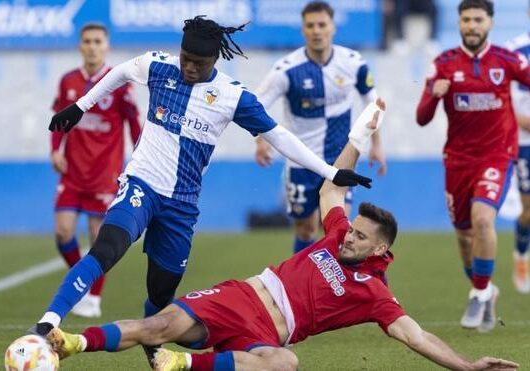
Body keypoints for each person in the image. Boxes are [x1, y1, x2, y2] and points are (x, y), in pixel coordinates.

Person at [46, 100, 518, 371]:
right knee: (156, 327)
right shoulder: (335, 234)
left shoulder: (375, 295)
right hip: (240, 297)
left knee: (285, 365)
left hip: (266, 334)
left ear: (381, 250)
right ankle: (69, 343)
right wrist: (359, 133)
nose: (348, 237)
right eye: (351, 229)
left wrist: (467, 366)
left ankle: (182, 366)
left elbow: (416, 337)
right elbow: (332, 188)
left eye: (359, 237)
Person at [32, 15, 373, 363]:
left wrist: (331, 171)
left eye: (199, 63)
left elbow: (278, 135)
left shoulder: (231, 96)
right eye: (185, 59)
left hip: (181, 205)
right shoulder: (158, 66)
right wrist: (80, 106)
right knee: (107, 248)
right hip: (142, 184)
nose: (190, 68)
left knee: (161, 290)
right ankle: (47, 324)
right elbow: (119, 72)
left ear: (214, 60)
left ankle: (152, 339)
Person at [416, 0, 530, 331]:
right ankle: (485, 287)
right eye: (465, 19)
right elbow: (422, 118)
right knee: (465, 237)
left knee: (483, 220)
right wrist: (434, 95)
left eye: (478, 19)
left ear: (490, 23)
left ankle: (479, 294)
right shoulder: (443, 63)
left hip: (498, 155)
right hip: (458, 161)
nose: (471, 25)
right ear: (459, 23)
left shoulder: (508, 60)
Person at [254, 1, 387, 255]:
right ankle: (299, 285)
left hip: (341, 161)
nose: (316, 31)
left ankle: (339, 292)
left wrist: (377, 145)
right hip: (301, 163)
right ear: (303, 30)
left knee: (339, 229)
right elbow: (255, 106)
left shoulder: (353, 63)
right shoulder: (287, 70)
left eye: (322, 25)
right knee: (306, 230)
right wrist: (260, 141)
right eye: (310, 25)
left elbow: (373, 104)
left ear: (333, 27)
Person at [50, 22, 141, 317]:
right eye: (87, 41)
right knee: (63, 232)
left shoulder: (119, 83)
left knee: (98, 238)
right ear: (80, 45)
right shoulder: (68, 81)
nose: (92, 46)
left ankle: (93, 299)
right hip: (73, 172)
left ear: (107, 46)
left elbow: (133, 122)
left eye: (97, 41)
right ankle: (82, 282)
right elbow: (60, 118)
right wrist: (55, 150)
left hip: (105, 173)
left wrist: (139, 156)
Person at [506, 8, 530, 294]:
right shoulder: (515, 52)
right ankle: (521, 255)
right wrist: (520, 120)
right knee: (528, 210)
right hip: (525, 143)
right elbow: (503, 98)